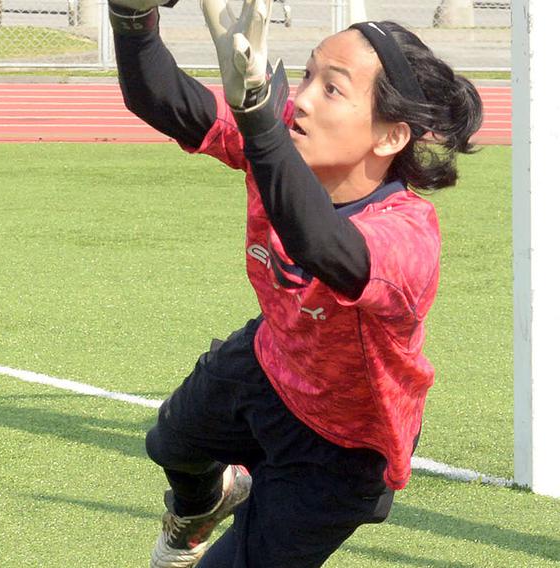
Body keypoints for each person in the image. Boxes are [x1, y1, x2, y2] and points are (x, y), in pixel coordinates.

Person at [108, 0, 483, 566]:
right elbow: (158, 97)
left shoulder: (408, 235)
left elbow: (321, 242)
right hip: (267, 362)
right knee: (171, 444)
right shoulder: (279, 144)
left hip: (342, 446)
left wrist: (258, 116)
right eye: (306, 75)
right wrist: (132, 16)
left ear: (389, 137)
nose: (301, 99)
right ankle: (201, 508)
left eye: (331, 89)